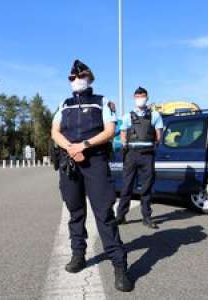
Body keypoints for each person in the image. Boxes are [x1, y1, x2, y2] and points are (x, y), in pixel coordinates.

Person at [51, 59, 133, 292]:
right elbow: (54, 131)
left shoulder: (102, 102)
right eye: (72, 78)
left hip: (95, 161)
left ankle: (119, 265)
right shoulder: (63, 104)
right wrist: (70, 148)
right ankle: (79, 255)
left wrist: (83, 145)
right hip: (70, 162)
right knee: (75, 212)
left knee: (104, 214)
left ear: (90, 78)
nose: (76, 80)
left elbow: (110, 130)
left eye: (81, 76)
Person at [116, 87, 163, 229]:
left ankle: (147, 217)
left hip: (147, 155)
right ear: (134, 98)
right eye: (137, 96)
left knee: (147, 187)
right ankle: (121, 216)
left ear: (147, 97)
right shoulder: (127, 116)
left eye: (142, 96)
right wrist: (125, 145)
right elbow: (123, 134)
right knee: (126, 186)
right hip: (131, 154)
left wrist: (151, 145)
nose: (140, 98)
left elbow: (159, 136)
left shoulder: (155, 115)